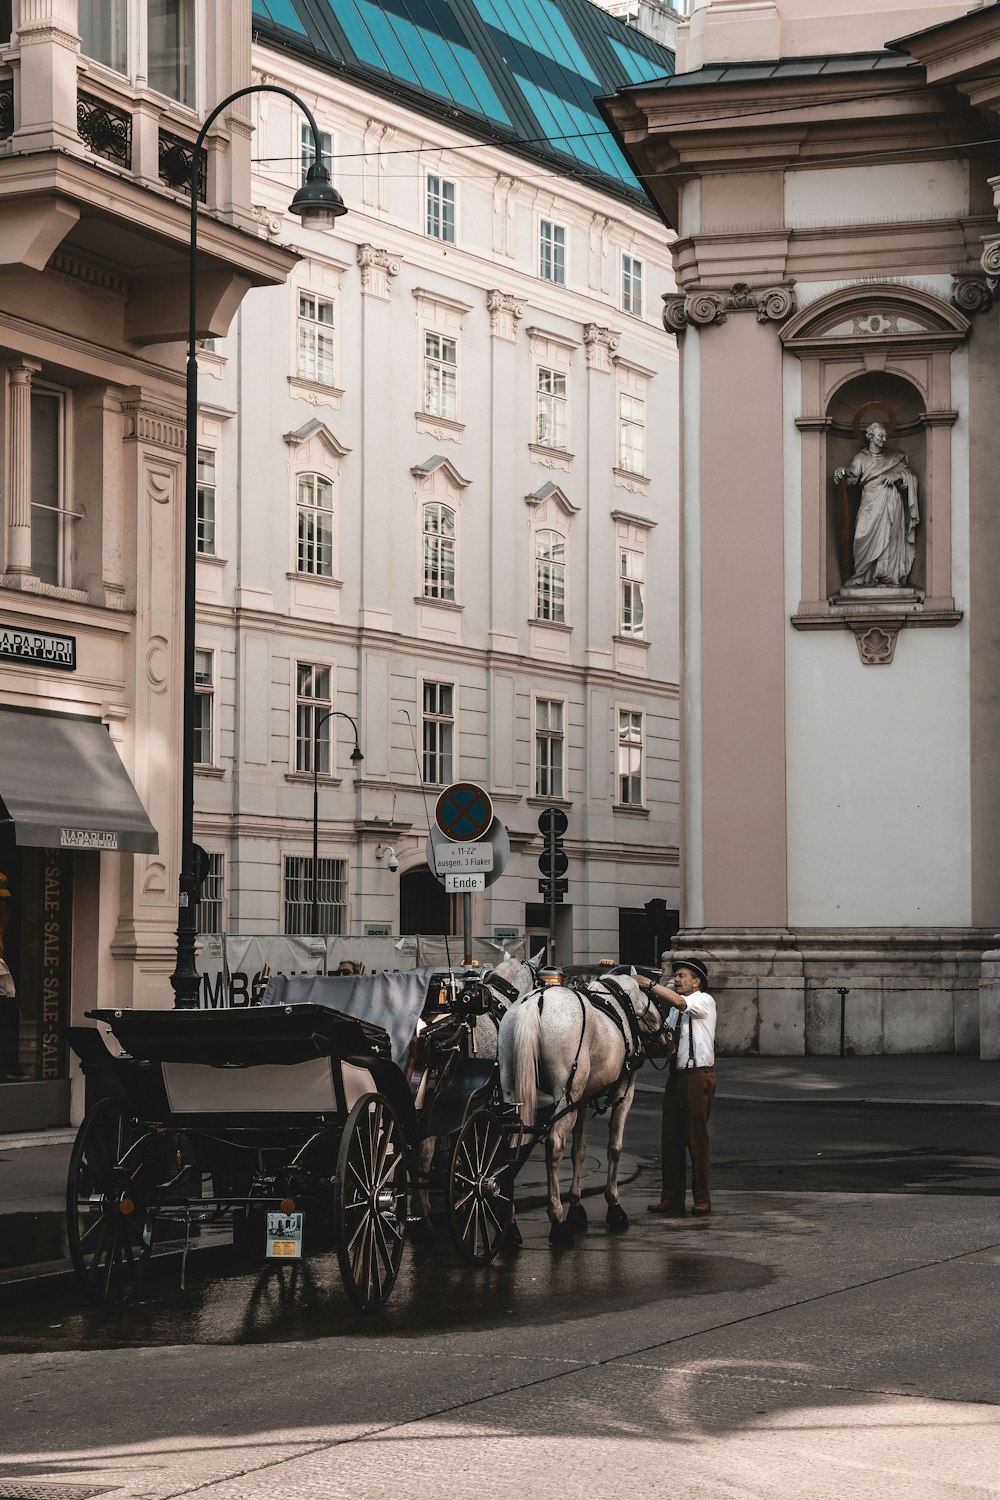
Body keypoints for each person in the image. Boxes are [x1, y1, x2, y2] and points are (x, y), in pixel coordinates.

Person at [637, 956, 716, 1218]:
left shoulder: (703, 1000)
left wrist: (649, 984)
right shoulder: (675, 1009)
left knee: (696, 1139)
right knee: (670, 1139)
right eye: (676, 975)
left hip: (698, 1076)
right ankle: (671, 1198)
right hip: (677, 1075)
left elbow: (681, 1002)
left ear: (697, 981)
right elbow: (667, 1035)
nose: (677, 979)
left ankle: (702, 1199)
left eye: (682, 976)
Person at [834, 421, 919, 589]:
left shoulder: (895, 457)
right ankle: (863, 575)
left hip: (891, 501)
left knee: (890, 536)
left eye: (885, 435)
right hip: (870, 502)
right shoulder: (861, 457)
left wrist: (897, 475)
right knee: (862, 535)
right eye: (881, 436)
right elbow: (851, 478)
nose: (884, 439)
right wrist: (841, 472)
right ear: (870, 437)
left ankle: (886, 575)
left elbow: (911, 475)